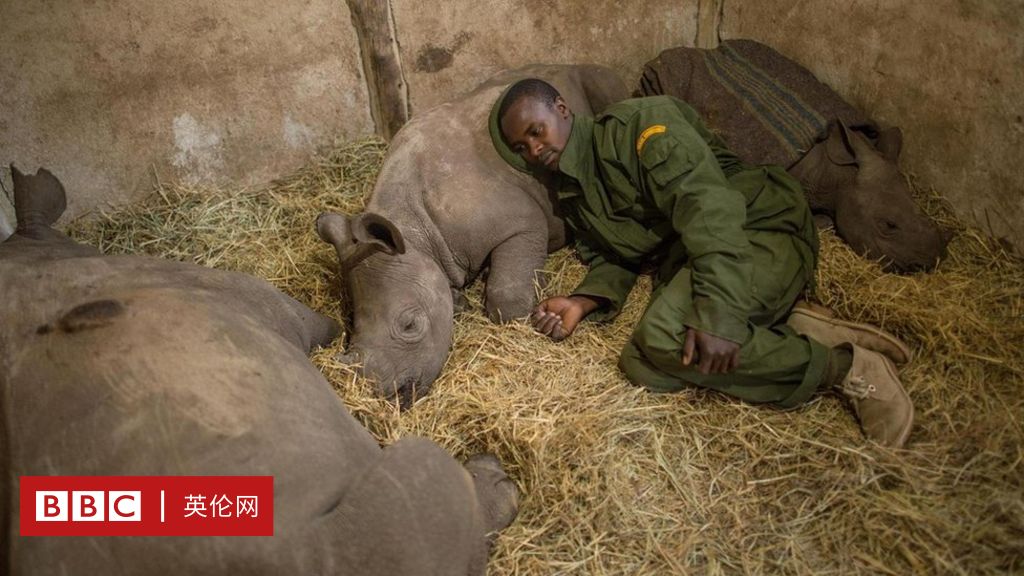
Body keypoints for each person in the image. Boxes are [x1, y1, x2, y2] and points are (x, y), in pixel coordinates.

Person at [489, 79, 915, 447]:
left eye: (536, 130)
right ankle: (791, 326)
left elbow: (707, 205)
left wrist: (719, 312)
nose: (535, 148)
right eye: (522, 147)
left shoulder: (639, 126)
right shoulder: (575, 195)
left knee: (664, 336)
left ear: (561, 109)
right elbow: (618, 253)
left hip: (757, 227)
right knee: (639, 364)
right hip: (700, 258)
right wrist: (583, 300)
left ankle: (847, 367)